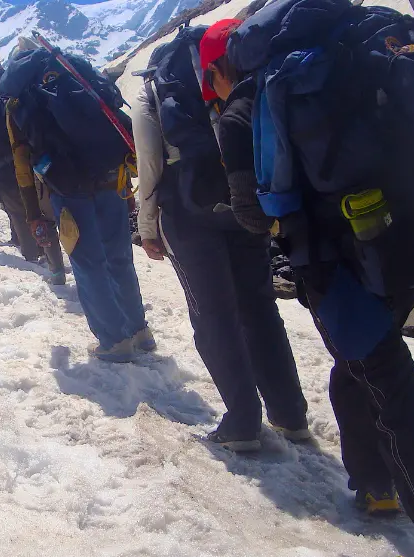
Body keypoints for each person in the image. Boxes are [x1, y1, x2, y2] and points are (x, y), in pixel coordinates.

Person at [206, 16, 414, 557]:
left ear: (225, 66)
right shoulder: (363, 48)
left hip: (339, 266)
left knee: (392, 393)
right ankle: (376, 485)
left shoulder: (250, 103)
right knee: (362, 375)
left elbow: (255, 214)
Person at [131, 25, 310, 451]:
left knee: (213, 316)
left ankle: (242, 423)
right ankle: (290, 414)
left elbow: (150, 163)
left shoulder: (153, 89)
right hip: (242, 197)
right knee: (259, 307)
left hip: (188, 209)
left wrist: (148, 226)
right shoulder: (242, 71)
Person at [0, 41, 151, 362]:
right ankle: (140, 331)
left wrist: (32, 212)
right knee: (119, 258)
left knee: (88, 263)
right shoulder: (76, 77)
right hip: (111, 181)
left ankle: (114, 341)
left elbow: (22, 162)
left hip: (69, 192)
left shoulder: (19, 101)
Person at [0, 56, 66, 286]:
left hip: (29, 167)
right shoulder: (55, 90)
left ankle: (53, 268)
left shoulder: (9, 107)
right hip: (68, 161)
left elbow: (16, 151)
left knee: (39, 218)